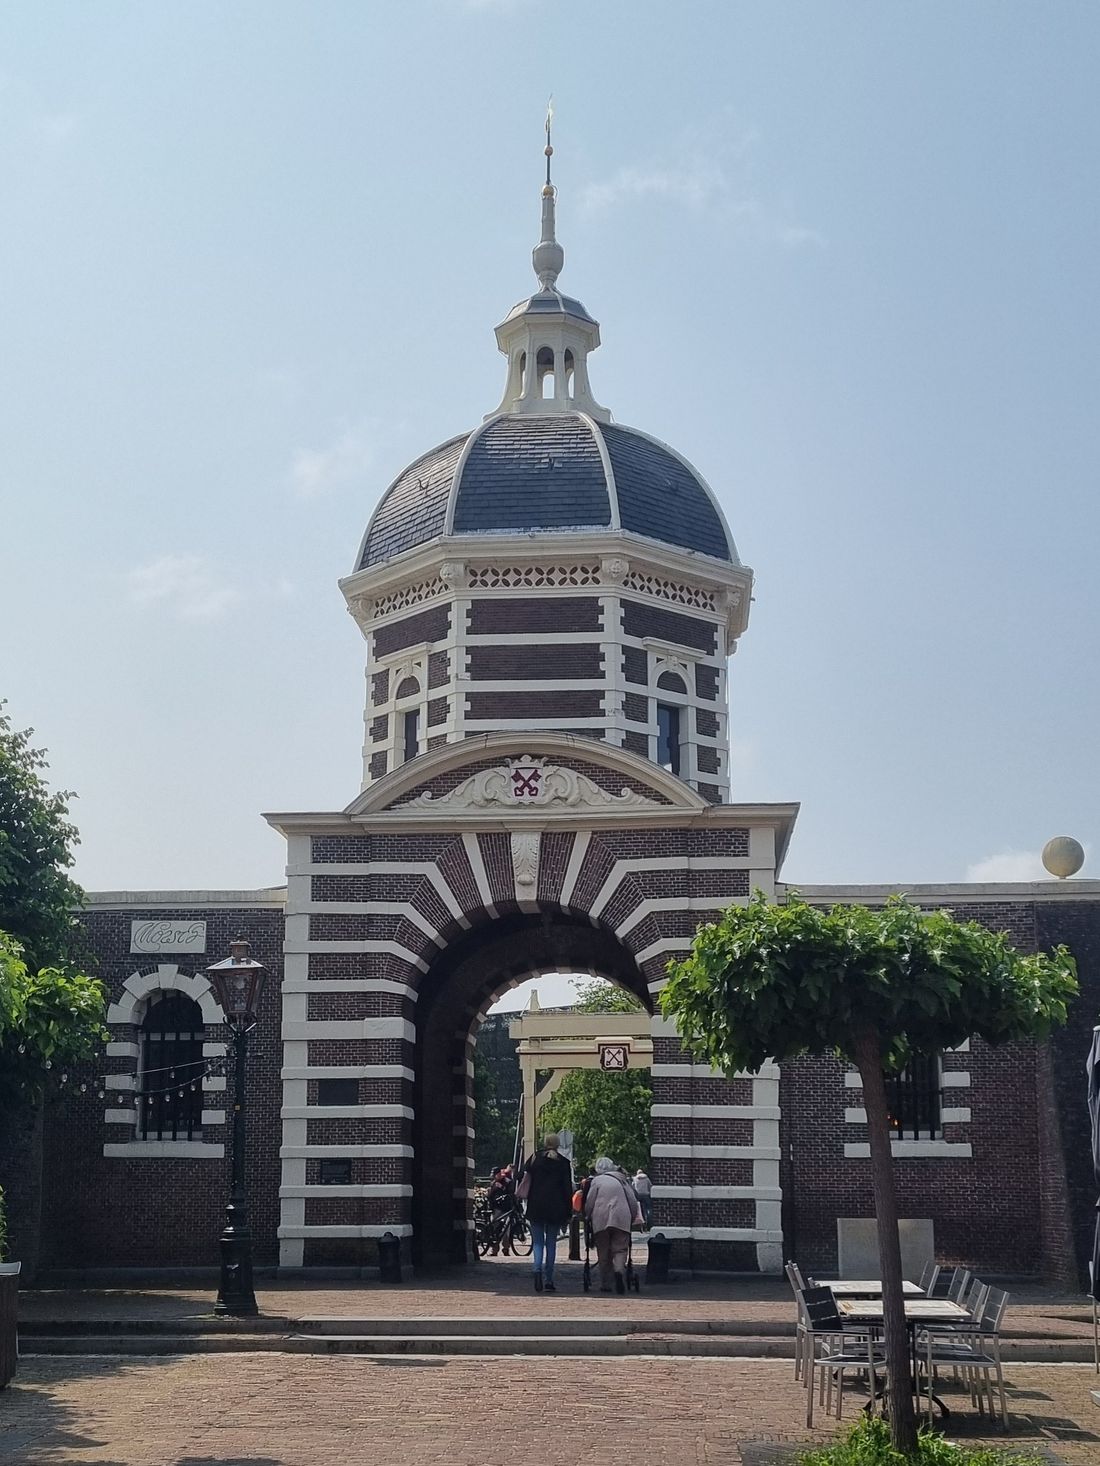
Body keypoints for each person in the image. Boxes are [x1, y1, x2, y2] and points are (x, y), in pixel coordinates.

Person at [519, 1132, 573, 1293]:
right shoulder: (563, 1163)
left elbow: (520, 1175)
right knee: (551, 1244)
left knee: (537, 1242)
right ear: (558, 1144)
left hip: (536, 1206)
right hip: (556, 1208)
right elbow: (567, 1189)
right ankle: (549, 1279)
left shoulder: (535, 1158)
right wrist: (568, 1211)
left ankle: (537, 1270)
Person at [585, 1156, 642, 1294]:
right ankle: (619, 1271)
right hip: (622, 1218)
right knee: (620, 1249)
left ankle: (606, 1283)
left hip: (601, 1218)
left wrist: (587, 1215)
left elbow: (590, 1201)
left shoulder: (597, 1181)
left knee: (603, 1250)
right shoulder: (622, 1180)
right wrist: (633, 1216)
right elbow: (632, 1201)